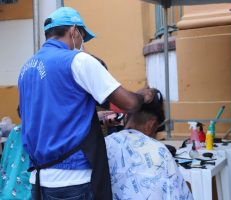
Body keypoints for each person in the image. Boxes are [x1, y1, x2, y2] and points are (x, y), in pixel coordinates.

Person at [18, 7, 155, 200]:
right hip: (74, 180)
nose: (82, 44)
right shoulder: (78, 61)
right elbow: (129, 104)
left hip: (39, 182)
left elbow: (43, 115)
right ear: (74, 31)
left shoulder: (26, 68)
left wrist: (94, 118)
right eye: (83, 37)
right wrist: (142, 96)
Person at [105, 89, 193, 200]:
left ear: (126, 117)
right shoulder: (160, 151)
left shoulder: (106, 143)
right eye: (156, 130)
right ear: (151, 125)